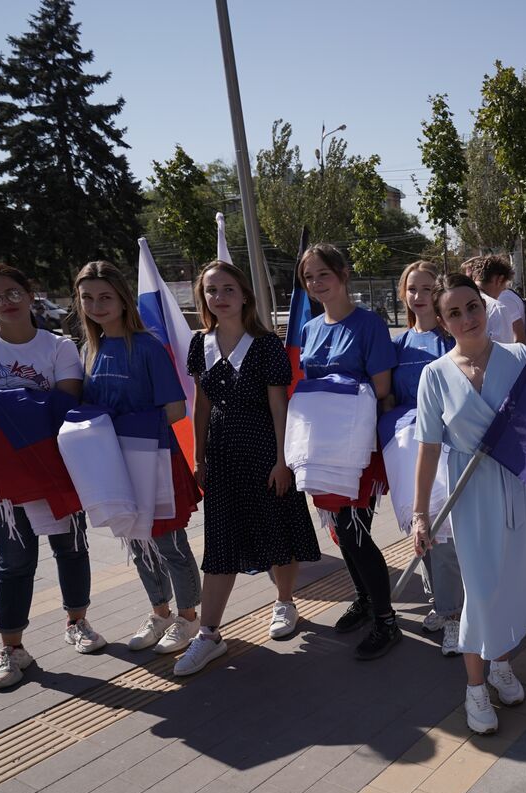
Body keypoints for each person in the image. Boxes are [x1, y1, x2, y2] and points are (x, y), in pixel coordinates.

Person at [0, 263, 104, 691]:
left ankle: (78, 622)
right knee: (15, 561)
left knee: (71, 547)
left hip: (54, 465)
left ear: (30, 293)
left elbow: (64, 406)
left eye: (13, 291)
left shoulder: (59, 347)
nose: (6, 301)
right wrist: (25, 403)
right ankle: (12, 648)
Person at [412, 273, 526, 735]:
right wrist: (420, 514)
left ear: (484, 307)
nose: (467, 318)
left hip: (518, 489)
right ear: (441, 320)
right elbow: (428, 447)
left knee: (510, 582)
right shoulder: (433, 375)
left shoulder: (519, 358)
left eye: (472, 306)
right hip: (469, 496)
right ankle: (475, 688)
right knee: (480, 589)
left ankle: (500, 665)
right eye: (454, 312)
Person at [177, 260, 321, 676]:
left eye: (227, 289)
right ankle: (208, 634)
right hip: (220, 453)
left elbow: (280, 405)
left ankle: (285, 602)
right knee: (220, 542)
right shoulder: (198, 344)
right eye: (210, 290)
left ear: (244, 295)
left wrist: (282, 460)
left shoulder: (266, 345)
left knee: (276, 529)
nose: (218, 297)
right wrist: (199, 458)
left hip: (263, 449)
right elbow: (201, 406)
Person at [72, 260, 202, 656]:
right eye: (88, 298)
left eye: (105, 296)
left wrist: (121, 424)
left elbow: (176, 409)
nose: (97, 305)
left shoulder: (146, 347)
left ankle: (189, 617)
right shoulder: (88, 350)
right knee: (135, 540)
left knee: (169, 542)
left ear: (123, 299)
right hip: (113, 466)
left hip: (154, 461)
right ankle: (159, 611)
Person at [298, 244, 401, 659]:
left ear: (343, 274)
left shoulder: (370, 324)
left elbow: (381, 389)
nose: (316, 283)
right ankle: (364, 601)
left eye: (323, 274)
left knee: (356, 534)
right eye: (308, 277)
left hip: (358, 447)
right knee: (341, 532)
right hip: (322, 445)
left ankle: (386, 620)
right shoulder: (309, 328)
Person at [390, 261, 464, 656]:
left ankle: (453, 616)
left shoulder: (449, 340)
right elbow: (388, 399)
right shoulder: (397, 347)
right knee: (424, 534)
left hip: (447, 449)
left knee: (447, 534)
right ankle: (442, 602)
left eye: (425, 289)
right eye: (411, 289)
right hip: (409, 452)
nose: (418, 296)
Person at [468, 254, 526, 343]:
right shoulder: (497, 308)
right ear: (499, 280)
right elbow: (504, 352)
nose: (503, 290)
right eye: (504, 286)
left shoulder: (458, 301)